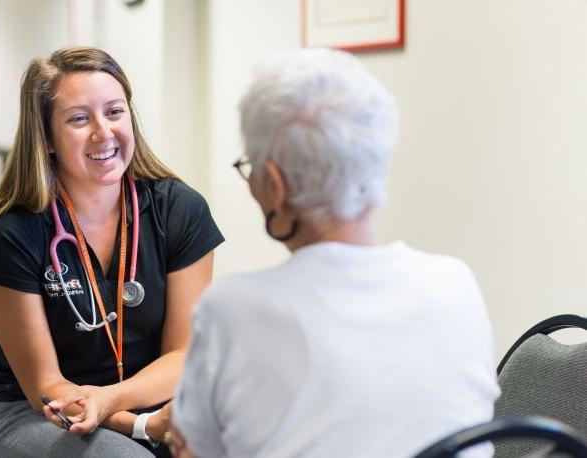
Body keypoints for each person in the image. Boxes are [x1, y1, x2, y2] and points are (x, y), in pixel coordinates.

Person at [168, 48, 500, 458]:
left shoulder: (231, 310)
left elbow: (196, 449)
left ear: (276, 184)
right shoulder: (455, 282)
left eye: (250, 167)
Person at [0, 46, 224, 457]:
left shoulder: (179, 210)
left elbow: (183, 354)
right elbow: (45, 388)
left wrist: (130, 409)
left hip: (151, 407)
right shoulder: (13, 233)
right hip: (34, 414)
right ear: (46, 138)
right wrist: (138, 424)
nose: (103, 132)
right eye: (79, 119)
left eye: (115, 112)